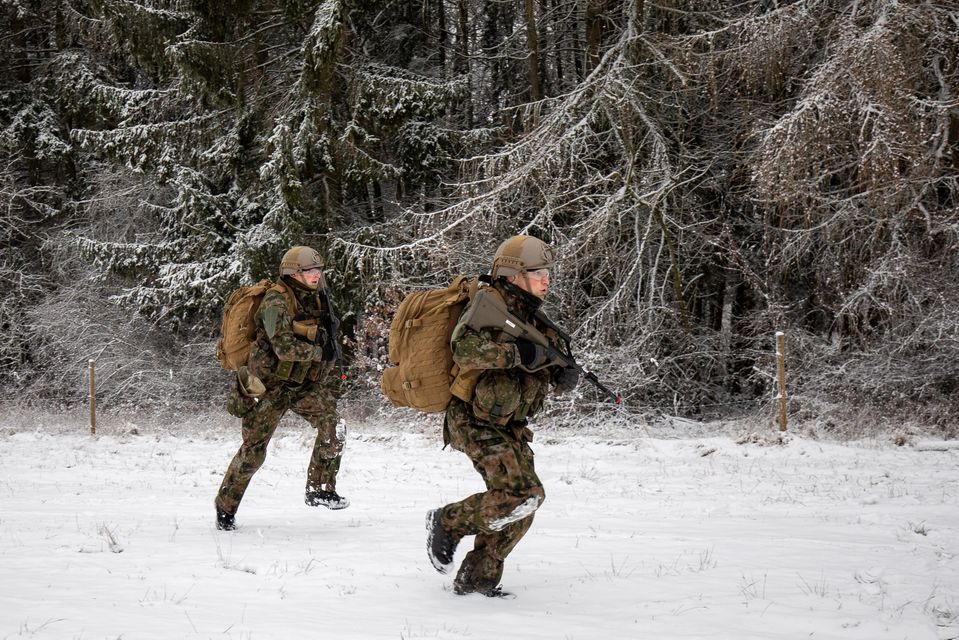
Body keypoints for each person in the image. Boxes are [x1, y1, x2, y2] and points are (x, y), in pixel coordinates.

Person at [425, 235, 580, 597]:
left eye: (546, 273)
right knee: (522, 493)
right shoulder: (488, 302)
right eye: (538, 273)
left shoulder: (534, 316)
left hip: (510, 425)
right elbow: (464, 349)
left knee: (524, 503)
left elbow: (537, 361)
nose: (546, 280)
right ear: (513, 275)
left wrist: (559, 372)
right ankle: (447, 521)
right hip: (473, 421)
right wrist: (517, 356)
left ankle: (477, 583)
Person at [215, 246, 347, 531]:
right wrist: (318, 352)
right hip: (268, 387)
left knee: (334, 425)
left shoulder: (318, 299)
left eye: (318, 271)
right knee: (253, 452)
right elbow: (284, 347)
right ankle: (225, 508)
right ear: (293, 273)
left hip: (301, 386)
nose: (315, 276)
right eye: (309, 271)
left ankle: (320, 489)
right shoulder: (276, 301)